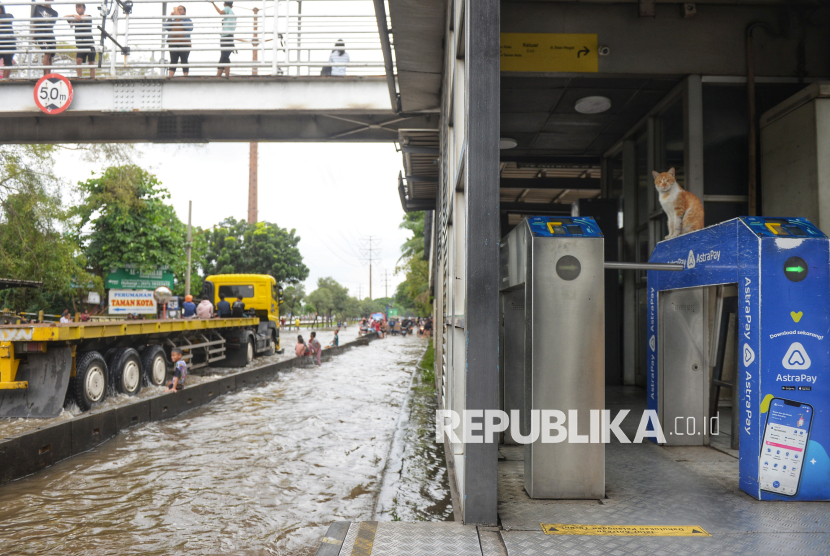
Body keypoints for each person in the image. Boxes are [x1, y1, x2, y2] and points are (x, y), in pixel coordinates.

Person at [66, 4, 94, 78]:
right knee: (78, 60)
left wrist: (76, 17)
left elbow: (86, 17)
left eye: (79, 7)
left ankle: (92, 78)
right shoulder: (75, 18)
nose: (78, 9)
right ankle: (79, 77)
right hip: (81, 44)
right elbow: (64, 17)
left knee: (91, 62)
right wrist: (74, 15)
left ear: (84, 9)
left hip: (89, 43)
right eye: (77, 8)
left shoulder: (88, 16)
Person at [32, 0, 58, 76]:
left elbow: (51, 25)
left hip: (50, 35)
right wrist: (34, 35)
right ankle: (45, 76)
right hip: (40, 33)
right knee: (47, 52)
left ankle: (48, 75)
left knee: (51, 54)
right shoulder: (38, 7)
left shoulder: (55, 13)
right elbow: (34, 21)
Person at [165, 5, 192, 77]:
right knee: (173, 60)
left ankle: (185, 75)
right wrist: (170, 18)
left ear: (184, 12)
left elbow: (190, 28)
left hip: (184, 43)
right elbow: (166, 27)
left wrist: (180, 18)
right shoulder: (173, 20)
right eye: (178, 9)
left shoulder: (187, 19)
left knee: (184, 60)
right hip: (173, 43)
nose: (179, 11)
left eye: (181, 9)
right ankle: (170, 76)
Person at [211, 1, 235, 77]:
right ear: (232, 6)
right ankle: (222, 75)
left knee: (224, 56)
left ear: (224, 5)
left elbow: (221, 12)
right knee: (225, 56)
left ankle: (221, 75)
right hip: (230, 37)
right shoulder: (232, 14)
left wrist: (213, 4)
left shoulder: (227, 9)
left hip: (225, 37)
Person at [0, 3, 15, 79]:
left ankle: (5, 80)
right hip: (1, 43)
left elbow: (10, 18)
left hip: (9, 43)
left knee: (8, 62)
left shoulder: (8, 15)